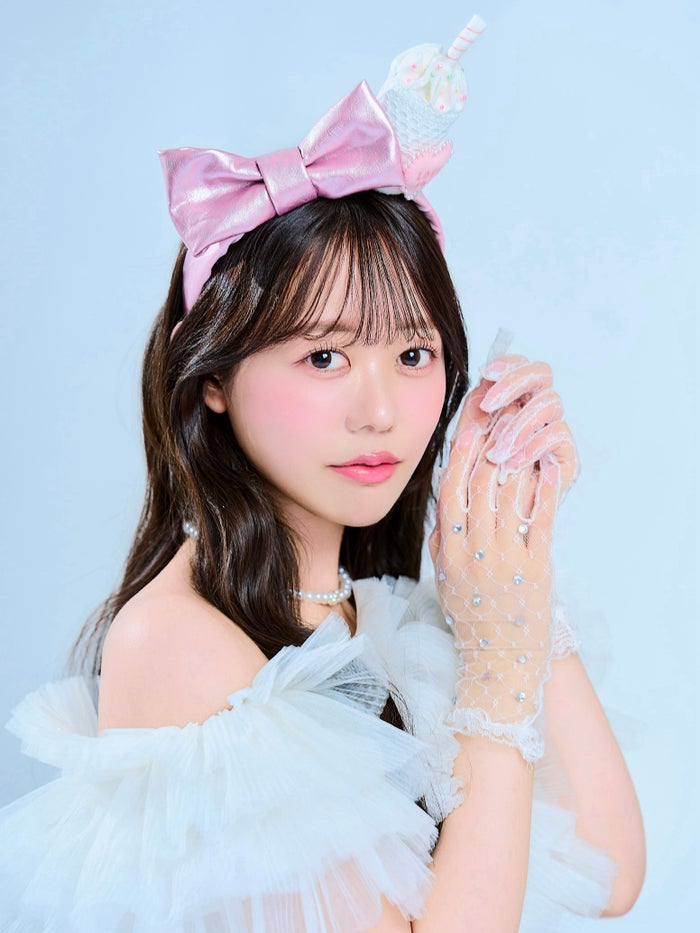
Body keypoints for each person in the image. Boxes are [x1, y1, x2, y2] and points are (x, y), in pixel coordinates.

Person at [0, 17, 644, 932]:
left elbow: (607, 870)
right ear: (212, 375)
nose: (380, 411)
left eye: (413, 354)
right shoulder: (181, 643)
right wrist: (499, 674)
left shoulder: (368, 608)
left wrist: (515, 573)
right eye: (325, 358)